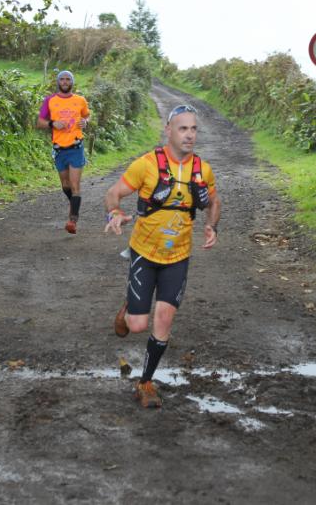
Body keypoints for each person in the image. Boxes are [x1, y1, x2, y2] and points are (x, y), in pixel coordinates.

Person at [103, 104, 221, 408]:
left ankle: (145, 383)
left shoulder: (202, 170)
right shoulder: (146, 165)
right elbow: (113, 193)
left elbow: (214, 202)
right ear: (168, 130)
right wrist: (115, 212)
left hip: (179, 255)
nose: (190, 135)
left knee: (164, 318)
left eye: (194, 129)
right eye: (183, 128)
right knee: (138, 325)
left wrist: (211, 226)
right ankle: (130, 308)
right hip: (144, 252)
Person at [37, 70, 90, 233]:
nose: (65, 82)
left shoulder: (80, 100)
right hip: (59, 149)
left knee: (74, 185)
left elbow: (87, 116)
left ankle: (73, 220)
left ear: (72, 82)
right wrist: (52, 124)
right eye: (62, 79)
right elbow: (39, 122)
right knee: (65, 185)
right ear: (58, 82)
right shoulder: (50, 100)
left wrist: (85, 122)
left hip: (76, 147)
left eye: (68, 79)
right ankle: (74, 202)